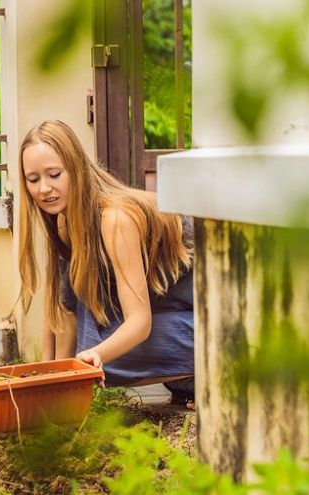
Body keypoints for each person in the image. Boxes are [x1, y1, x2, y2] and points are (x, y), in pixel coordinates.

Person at [17, 120, 195, 402]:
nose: (44, 189)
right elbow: (61, 309)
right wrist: (46, 381)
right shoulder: (65, 221)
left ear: (76, 169)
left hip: (220, 324)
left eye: (54, 174)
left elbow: (139, 322)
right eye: (33, 179)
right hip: (175, 311)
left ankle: (205, 372)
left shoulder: (115, 219)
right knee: (84, 315)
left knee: (93, 349)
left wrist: (89, 359)